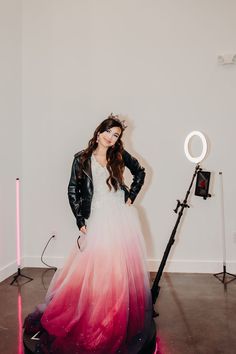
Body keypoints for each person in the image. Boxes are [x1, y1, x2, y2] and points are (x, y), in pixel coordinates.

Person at [24, 114, 156, 354]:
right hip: (96, 216)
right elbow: (73, 188)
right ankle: (94, 315)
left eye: (115, 135)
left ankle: (113, 317)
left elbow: (140, 172)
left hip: (119, 215)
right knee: (95, 269)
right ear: (99, 132)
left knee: (118, 269)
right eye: (108, 132)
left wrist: (131, 195)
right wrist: (79, 218)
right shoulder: (81, 158)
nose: (110, 137)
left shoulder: (119, 155)